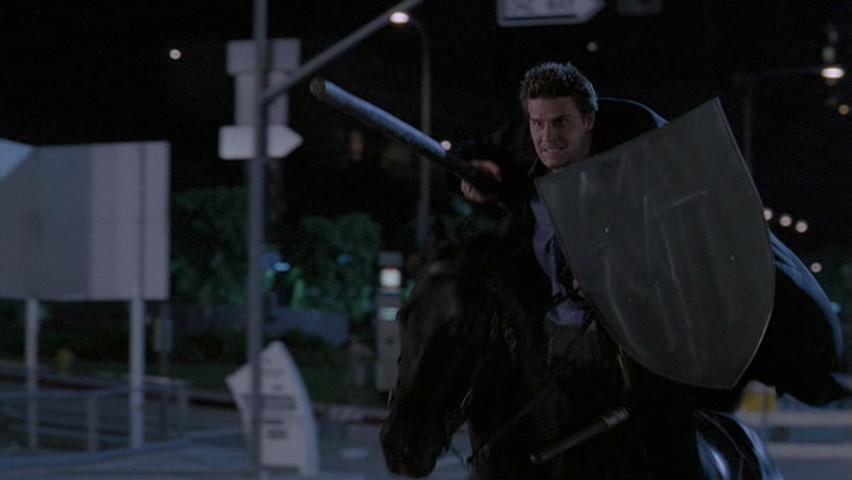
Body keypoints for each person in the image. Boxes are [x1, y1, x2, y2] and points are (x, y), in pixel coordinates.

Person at [459, 61, 848, 478]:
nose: (547, 136)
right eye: (537, 123)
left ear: (589, 121)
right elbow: (475, 157)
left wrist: (616, 273)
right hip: (548, 339)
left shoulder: (640, 151)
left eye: (560, 123)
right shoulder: (525, 145)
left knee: (660, 422)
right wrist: (475, 172)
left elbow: (683, 234)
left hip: (632, 336)